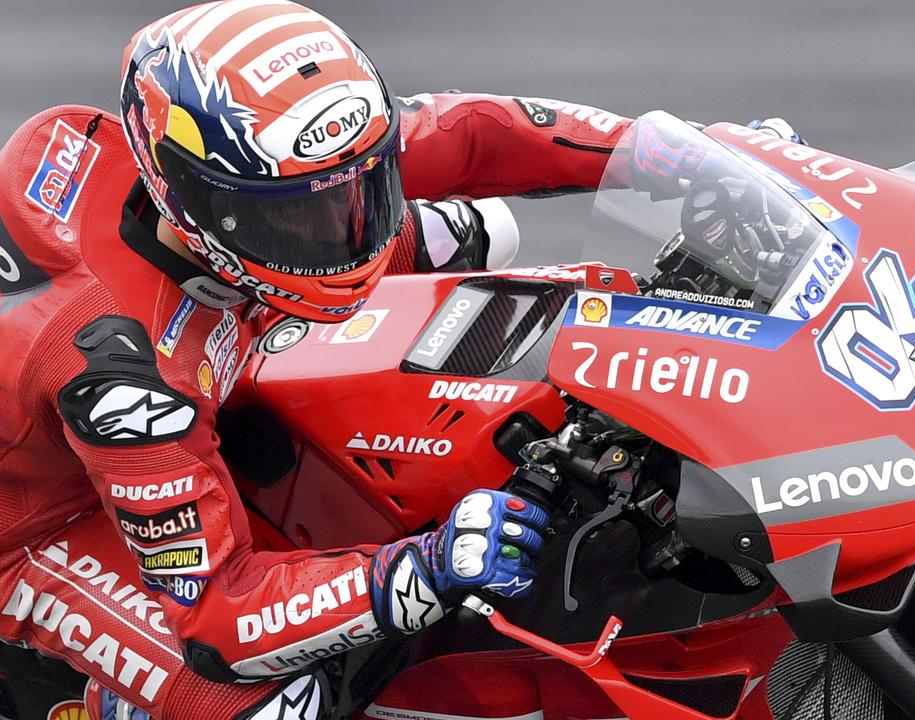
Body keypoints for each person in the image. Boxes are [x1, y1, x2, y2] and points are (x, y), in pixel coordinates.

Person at [0, 2, 803, 718]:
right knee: (270, 699)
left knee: (483, 238)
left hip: (204, 322)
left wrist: (684, 159)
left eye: (361, 192)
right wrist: (419, 572)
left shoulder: (259, 167)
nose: (350, 234)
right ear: (195, 199)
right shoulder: (121, 375)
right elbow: (222, 618)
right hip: (35, 523)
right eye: (305, 217)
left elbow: (477, 133)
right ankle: (110, 701)